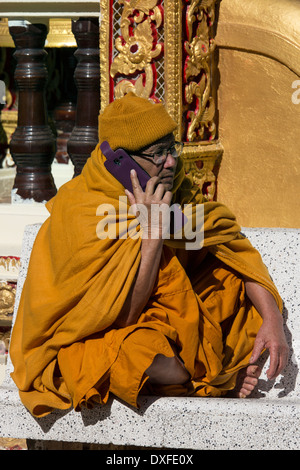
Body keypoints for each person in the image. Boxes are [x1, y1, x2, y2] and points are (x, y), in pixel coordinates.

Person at [10, 92, 288, 417]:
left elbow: (233, 249)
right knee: (142, 355)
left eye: (172, 149)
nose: (170, 162)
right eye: (158, 154)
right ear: (121, 162)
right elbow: (124, 317)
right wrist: (153, 236)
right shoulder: (86, 211)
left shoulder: (179, 195)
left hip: (172, 322)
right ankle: (205, 380)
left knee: (225, 279)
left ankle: (203, 374)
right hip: (105, 331)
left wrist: (273, 322)